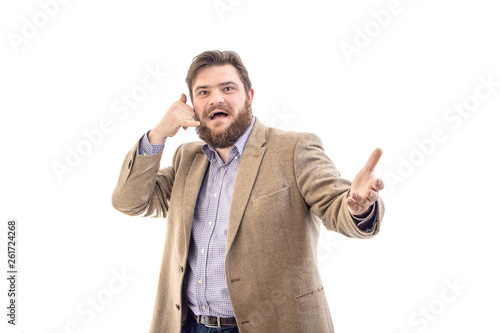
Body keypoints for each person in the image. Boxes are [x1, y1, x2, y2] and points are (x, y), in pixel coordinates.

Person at [112, 50, 385, 333]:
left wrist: (359, 206)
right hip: (190, 325)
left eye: (227, 88)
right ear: (192, 105)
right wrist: (158, 134)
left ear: (249, 96)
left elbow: (334, 204)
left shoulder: (292, 149)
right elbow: (129, 201)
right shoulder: (187, 158)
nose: (216, 99)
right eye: (203, 92)